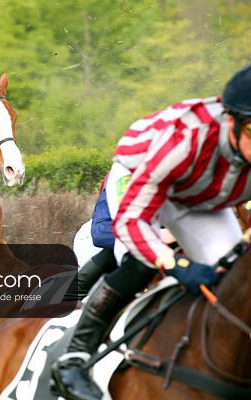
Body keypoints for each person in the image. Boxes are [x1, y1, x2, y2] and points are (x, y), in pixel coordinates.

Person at [52, 64, 251, 400]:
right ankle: (75, 355)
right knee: (141, 256)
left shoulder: (239, 141)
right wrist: (176, 263)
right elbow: (131, 224)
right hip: (142, 172)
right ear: (230, 121)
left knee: (233, 274)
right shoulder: (184, 141)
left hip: (204, 188)